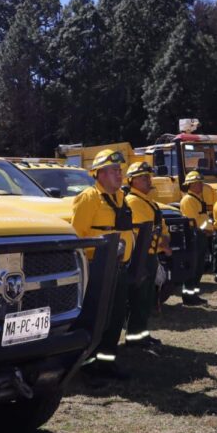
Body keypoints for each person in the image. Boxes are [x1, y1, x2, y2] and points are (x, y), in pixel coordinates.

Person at [71, 149, 134, 380]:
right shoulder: (88, 198)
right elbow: (77, 237)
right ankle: (87, 368)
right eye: (114, 171)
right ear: (99, 174)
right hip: (96, 270)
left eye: (120, 170)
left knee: (114, 318)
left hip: (118, 268)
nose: (120, 175)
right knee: (94, 319)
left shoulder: (120, 198)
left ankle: (107, 362)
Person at [124, 162, 172, 348]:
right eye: (142, 177)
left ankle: (142, 334)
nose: (147, 179)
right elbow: (145, 231)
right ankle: (135, 338)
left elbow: (161, 226)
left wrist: (164, 240)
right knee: (139, 299)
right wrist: (164, 244)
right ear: (132, 181)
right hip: (141, 257)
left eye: (148, 176)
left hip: (150, 255)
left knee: (146, 298)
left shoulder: (147, 201)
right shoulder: (134, 202)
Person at [179, 171, 213, 305]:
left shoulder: (198, 199)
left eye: (200, 183)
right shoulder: (188, 200)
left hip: (201, 236)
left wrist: (209, 230)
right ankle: (188, 297)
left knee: (199, 268)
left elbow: (203, 218)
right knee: (193, 268)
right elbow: (192, 221)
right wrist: (205, 230)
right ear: (190, 185)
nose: (200, 185)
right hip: (195, 237)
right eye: (197, 183)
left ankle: (194, 295)